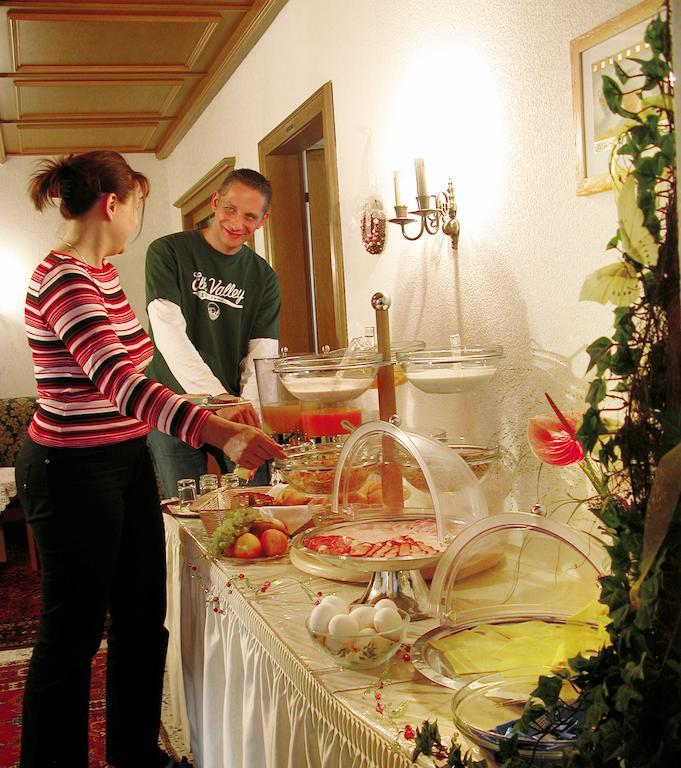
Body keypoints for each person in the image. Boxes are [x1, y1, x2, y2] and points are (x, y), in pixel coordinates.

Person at [14, 151, 284, 768]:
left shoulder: (103, 273)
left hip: (125, 456)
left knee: (141, 617)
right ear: (114, 203)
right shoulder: (64, 279)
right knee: (71, 636)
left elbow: (140, 372)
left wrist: (214, 404)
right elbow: (119, 381)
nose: (138, 216)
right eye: (137, 202)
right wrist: (215, 429)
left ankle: (135, 753)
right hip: (70, 470)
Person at [144, 168, 281, 498]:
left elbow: (261, 355)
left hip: (236, 410)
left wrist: (249, 410)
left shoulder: (263, 276)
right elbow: (169, 334)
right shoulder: (167, 252)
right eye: (230, 209)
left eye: (249, 216)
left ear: (263, 220)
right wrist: (220, 401)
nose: (236, 224)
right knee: (186, 508)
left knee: (255, 505)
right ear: (215, 202)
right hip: (173, 406)